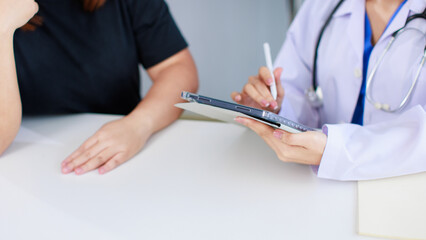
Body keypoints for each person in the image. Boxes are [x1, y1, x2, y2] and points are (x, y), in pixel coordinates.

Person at [232, 0, 425, 181]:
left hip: (404, 189)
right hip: (320, 184)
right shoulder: (322, 6)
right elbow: (294, 88)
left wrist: (336, 151)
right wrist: (274, 107)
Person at [0, 0, 198, 175]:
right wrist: (3, 25)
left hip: (122, 157)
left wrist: (139, 125)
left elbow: (177, 68)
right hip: (27, 167)